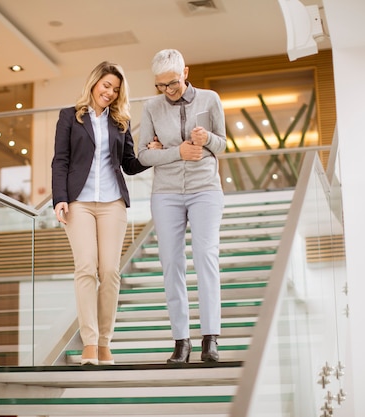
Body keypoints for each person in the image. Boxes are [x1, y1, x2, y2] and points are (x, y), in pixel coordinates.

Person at [51, 61, 160, 365]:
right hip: (79, 204)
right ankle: (89, 343)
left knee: (109, 272)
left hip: (112, 203)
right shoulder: (69, 118)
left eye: (116, 89)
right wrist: (59, 198)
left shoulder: (119, 122)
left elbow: (129, 165)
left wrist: (149, 153)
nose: (110, 93)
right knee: (86, 268)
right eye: (106, 85)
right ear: (94, 82)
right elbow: (60, 160)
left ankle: (105, 343)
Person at [138, 49, 227, 363]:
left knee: (206, 257)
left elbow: (224, 144)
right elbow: (143, 155)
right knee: (171, 263)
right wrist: (179, 152)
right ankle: (181, 342)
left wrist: (207, 141)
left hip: (205, 189)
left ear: (185, 73)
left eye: (172, 83)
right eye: (161, 86)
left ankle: (211, 339)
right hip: (166, 193)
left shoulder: (210, 99)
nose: (168, 91)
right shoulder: (151, 107)